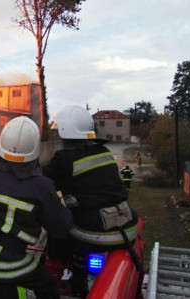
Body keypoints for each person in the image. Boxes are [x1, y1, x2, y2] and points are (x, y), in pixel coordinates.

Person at [0, 116, 73, 299]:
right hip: (6, 261)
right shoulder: (41, 186)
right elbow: (59, 228)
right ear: (35, 149)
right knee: (47, 285)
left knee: (7, 279)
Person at [43, 105, 139, 298]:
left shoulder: (64, 158)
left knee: (56, 222)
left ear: (63, 132)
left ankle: (73, 277)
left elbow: (41, 183)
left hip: (96, 234)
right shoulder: (103, 150)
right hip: (126, 227)